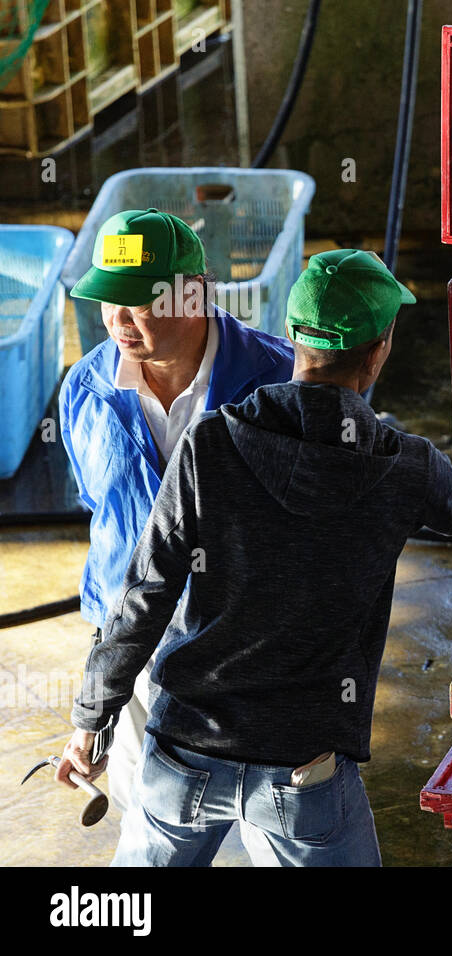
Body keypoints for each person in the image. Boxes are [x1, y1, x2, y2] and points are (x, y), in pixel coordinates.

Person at [56, 249, 452, 866]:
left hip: (183, 753)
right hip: (302, 771)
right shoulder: (398, 464)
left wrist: (93, 720)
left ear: (291, 335)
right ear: (379, 351)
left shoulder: (209, 445)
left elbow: (142, 599)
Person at [60, 208, 295, 815]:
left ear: (194, 295)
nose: (117, 322)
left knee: (264, 820)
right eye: (106, 301)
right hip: (134, 639)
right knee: (148, 822)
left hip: (252, 648)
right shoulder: (83, 390)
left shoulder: (279, 383)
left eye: (137, 302)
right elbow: (102, 511)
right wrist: (98, 696)